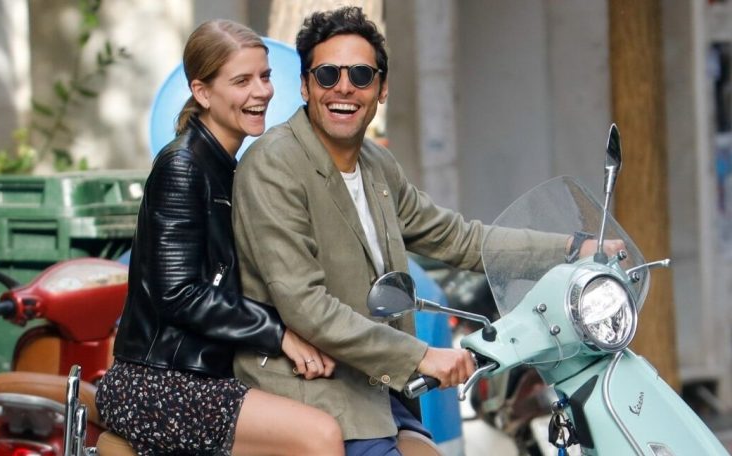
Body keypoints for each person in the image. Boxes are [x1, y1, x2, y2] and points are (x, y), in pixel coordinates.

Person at [232, 6, 621, 455]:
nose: (344, 87)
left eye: (361, 75)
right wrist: (420, 355)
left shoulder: (376, 165)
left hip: (374, 391)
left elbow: (459, 238)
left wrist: (573, 248)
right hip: (309, 392)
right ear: (305, 86)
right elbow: (306, 304)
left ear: (381, 89)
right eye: (327, 74)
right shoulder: (274, 165)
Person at [95, 20, 343, 456]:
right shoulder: (183, 166)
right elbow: (178, 294)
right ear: (203, 92)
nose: (262, 92)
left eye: (265, 76)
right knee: (319, 435)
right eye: (242, 81)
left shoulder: (228, 167)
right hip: (159, 382)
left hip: (207, 372)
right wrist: (279, 334)